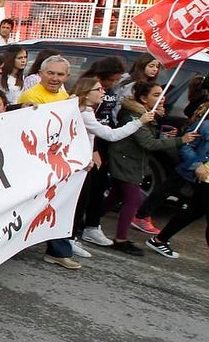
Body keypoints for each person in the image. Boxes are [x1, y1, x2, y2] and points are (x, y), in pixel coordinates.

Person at [106, 82, 198, 255]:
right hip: (124, 161)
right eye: (156, 95)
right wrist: (181, 140)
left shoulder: (147, 115)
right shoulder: (135, 115)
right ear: (143, 98)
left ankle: (87, 224)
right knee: (133, 200)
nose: (162, 98)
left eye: (162, 94)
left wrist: (163, 130)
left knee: (115, 197)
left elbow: (148, 137)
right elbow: (147, 143)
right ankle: (120, 240)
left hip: (133, 162)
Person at [70, 77, 151, 256]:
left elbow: (89, 137)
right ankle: (69, 239)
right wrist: (139, 122)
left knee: (83, 201)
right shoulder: (83, 113)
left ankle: (75, 235)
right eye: (98, 90)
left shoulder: (87, 110)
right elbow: (110, 135)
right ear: (86, 93)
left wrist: (89, 155)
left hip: (84, 163)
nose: (103, 92)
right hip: (77, 166)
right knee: (78, 203)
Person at [16, 56, 83, 269]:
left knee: (59, 205)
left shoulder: (63, 94)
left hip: (54, 162)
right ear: (41, 74)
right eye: (50, 73)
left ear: (67, 76)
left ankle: (59, 250)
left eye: (60, 74)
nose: (54, 78)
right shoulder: (32, 95)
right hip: (35, 163)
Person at [146, 103, 209, 258]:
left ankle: (160, 240)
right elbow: (185, 144)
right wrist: (196, 165)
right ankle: (159, 239)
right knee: (195, 210)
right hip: (205, 177)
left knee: (193, 211)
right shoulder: (205, 125)